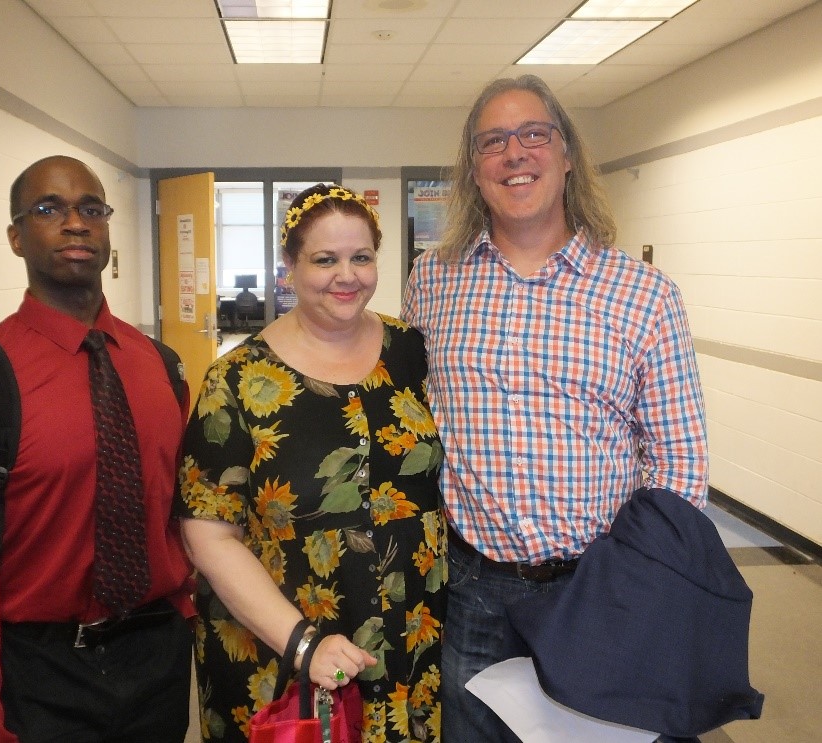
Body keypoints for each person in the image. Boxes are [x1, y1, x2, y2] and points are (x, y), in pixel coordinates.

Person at [401, 75, 709, 742]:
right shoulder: (433, 281)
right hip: (472, 590)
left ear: (567, 155)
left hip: (597, 587)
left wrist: (641, 582)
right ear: (472, 169)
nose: (515, 153)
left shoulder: (643, 294)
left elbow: (679, 460)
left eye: (534, 134)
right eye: (493, 141)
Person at [0, 155, 195, 742]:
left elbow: (176, 517)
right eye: (49, 209)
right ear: (16, 237)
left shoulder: (160, 369)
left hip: (157, 662)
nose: (75, 223)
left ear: (108, 230)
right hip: (37, 677)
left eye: (91, 209)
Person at [177, 184, 446, 742]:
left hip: (406, 640)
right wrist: (302, 642)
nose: (346, 276)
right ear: (290, 266)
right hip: (283, 649)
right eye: (325, 259)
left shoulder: (411, 352)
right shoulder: (236, 383)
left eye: (361, 257)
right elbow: (208, 534)